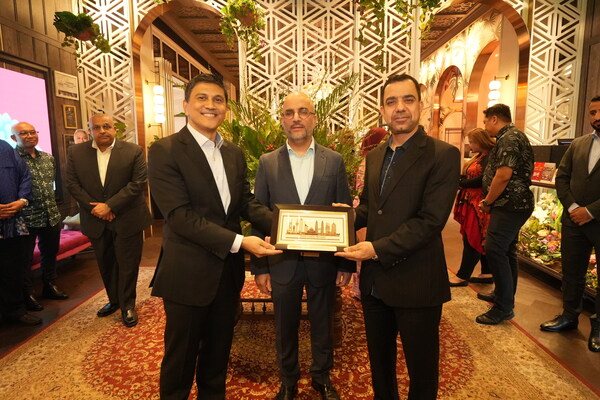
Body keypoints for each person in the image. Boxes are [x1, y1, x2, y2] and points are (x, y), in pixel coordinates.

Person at [147, 73, 281, 400]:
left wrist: (290, 226)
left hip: (226, 274)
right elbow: (180, 217)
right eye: (202, 98)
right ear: (186, 105)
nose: (211, 105)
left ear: (225, 108)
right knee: (180, 360)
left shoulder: (233, 153)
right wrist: (240, 242)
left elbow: (245, 203)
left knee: (217, 356)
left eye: (218, 99)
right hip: (187, 274)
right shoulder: (165, 150)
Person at [335, 74, 461, 400]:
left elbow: (430, 221)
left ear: (421, 105)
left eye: (407, 100)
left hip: (417, 281)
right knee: (380, 365)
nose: (399, 108)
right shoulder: (376, 156)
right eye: (391, 102)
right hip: (375, 283)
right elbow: (371, 207)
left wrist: (375, 249)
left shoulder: (443, 154)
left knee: (421, 370)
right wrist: (343, 218)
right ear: (382, 110)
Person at [251, 92, 354, 400]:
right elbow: (258, 213)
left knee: (323, 322)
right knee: (285, 325)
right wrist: (260, 267)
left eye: (303, 111)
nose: (296, 118)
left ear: (314, 119)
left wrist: (346, 262)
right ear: (282, 120)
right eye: (289, 112)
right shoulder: (268, 163)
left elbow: (344, 211)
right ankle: (288, 379)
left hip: (323, 262)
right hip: (282, 263)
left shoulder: (333, 161)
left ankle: (322, 376)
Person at [66, 113, 152, 328]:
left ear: (114, 129)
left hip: (128, 217)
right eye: (96, 127)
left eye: (106, 126)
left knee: (128, 264)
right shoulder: (76, 152)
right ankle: (114, 301)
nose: (102, 130)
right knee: (106, 264)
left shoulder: (134, 151)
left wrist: (110, 206)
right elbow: (72, 184)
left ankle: (128, 305)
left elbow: (138, 183)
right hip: (95, 218)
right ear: (90, 131)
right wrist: (97, 209)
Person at [540, 96, 600, 352]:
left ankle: (599, 326)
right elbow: (562, 177)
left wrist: (591, 211)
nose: (596, 117)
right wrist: (574, 208)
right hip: (574, 220)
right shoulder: (579, 143)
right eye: (593, 112)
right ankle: (569, 315)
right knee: (572, 272)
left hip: (597, 219)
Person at [476, 103, 534, 325]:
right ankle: (503, 295)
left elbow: (503, 175)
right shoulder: (511, 136)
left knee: (495, 249)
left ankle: (503, 307)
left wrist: (488, 201)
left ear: (494, 119)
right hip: (513, 204)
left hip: (509, 204)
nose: (485, 127)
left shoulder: (509, 138)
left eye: (485, 122)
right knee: (507, 251)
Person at [11, 122, 69, 312]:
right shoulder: (12, 160)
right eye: (23, 133)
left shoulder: (48, 158)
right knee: (24, 259)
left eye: (32, 132)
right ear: (13, 138)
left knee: (50, 253)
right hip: (26, 218)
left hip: (50, 214)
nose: (30, 136)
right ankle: (27, 294)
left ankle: (50, 285)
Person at [0, 139, 41, 325]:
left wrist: (22, 200)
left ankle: (15, 310)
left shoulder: (4, 147)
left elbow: (25, 175)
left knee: (12, 269)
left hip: (10, 223)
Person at [449, 128, 495, 287]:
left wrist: (461, 183)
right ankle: (487, 273)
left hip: (479, 203)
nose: (470, 145)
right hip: (472, 201)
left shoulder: (490, 156)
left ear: (481, 141)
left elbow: (484, 179)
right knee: (480, 237)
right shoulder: (480, 156)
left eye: (472, 142)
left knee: (473, 237)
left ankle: (463, 275)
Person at [352, 127, 388, 300]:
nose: (384, 142)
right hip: (366, 208)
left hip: (360, 206)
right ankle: (362, 288)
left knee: (364, 249)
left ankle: (359, 289)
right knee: (365, 250)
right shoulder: (370, 160)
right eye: (382, 139)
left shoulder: (365, 158)